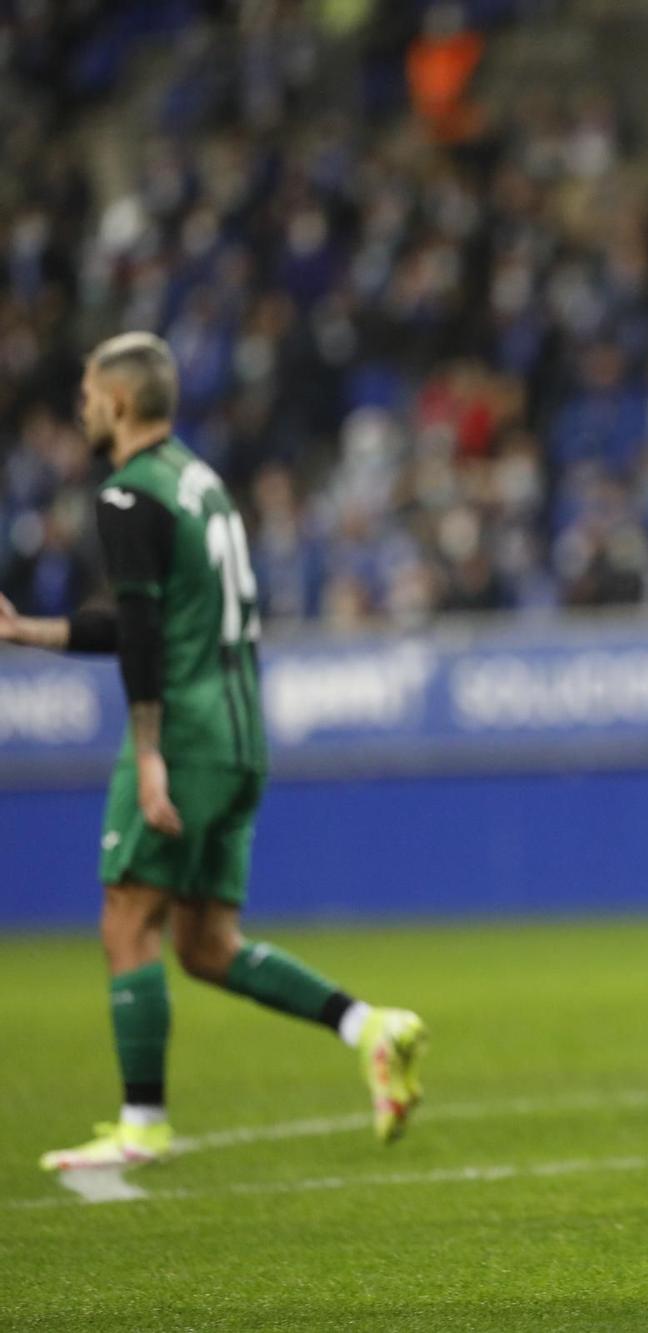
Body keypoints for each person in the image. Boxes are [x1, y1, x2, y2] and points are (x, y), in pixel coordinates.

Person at [1, 333, 426, 1171]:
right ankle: (371, 1026)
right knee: (204, 944)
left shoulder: (128, 495)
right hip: (241, 734)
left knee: (128, 917)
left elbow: (148, 633)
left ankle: (142, 1121)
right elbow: (153, 614)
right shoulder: (201, 484)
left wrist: (150, 753)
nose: (82, 404)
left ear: (120, 401)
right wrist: (32, 630)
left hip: (185, 734)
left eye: (88, 390)